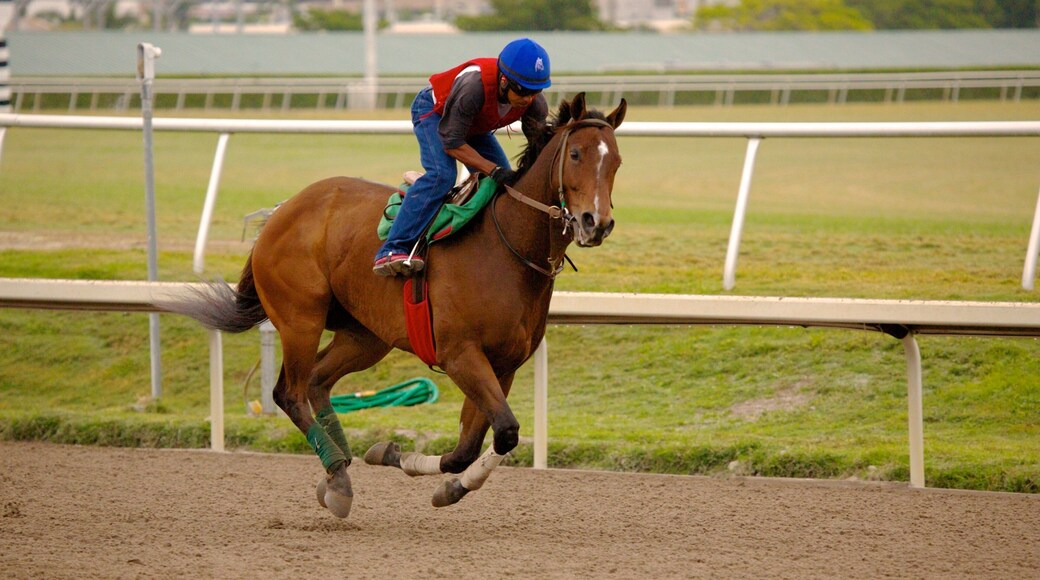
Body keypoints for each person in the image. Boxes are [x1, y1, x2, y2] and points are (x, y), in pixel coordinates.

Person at [373, 37, 552, 277]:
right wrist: (492, 169)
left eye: (535, 92)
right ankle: (393, 247)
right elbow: (452, 142)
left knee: (505, 185)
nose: (528, 99)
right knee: (442, 176)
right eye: (522, 90)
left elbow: (540, 151)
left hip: (473, 124)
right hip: (433, 111)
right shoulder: (474, 86)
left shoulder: (533, 103)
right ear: (503, 80)